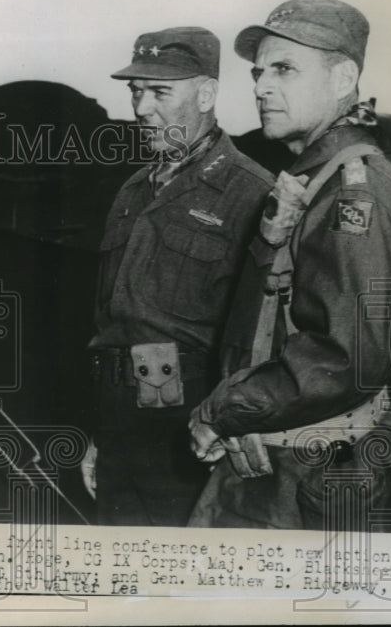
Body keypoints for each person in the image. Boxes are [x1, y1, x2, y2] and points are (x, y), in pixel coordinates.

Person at [188, 0, 391, 529]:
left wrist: (221, 411)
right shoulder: (315, 179)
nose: (262, 86)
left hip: (311, 478)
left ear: (343, 79)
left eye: (285, 69)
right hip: (278, 463)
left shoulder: (354, 192)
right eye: (259, 72)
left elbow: (347, 356)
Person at [79, 27, 273, 526]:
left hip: (194, 434)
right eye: (136, 91)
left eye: (160, 92)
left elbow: (261, 338)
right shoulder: (131, 191)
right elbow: (112, 328)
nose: (142, 109)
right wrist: (102, 435)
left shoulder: (251, 193)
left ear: (206, 94)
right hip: (120, 426)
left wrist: (230, 429)